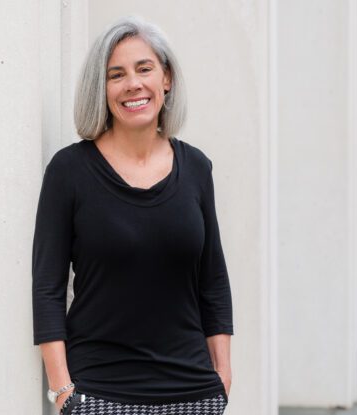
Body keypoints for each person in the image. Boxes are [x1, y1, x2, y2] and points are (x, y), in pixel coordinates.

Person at [32, 16, 234, 415]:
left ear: (167, 79)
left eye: (145, 69)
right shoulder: (69, 172)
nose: (133, 85)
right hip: (99, 394)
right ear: (102, 88)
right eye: (116, 75)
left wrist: (222, 377)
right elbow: (47, 289)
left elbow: (213, 281)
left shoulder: (195, 169)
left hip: (192, 393)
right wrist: (62, 391)